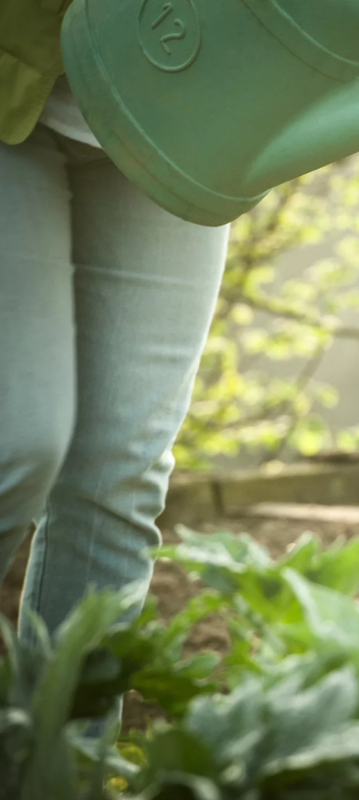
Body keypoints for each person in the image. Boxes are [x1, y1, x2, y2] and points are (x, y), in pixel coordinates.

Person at [0, 3, 228, 646]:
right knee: (15, 444)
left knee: (120, 478)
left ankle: (68, 746)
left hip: (183, 113)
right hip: (15, 71)